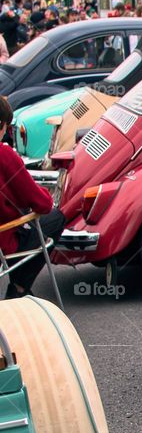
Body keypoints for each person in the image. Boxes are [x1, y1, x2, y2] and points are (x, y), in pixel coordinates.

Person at [0, 97, 67, 300]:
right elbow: (42, 204)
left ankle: (17, 288)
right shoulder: (4, 155)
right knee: (56, 218)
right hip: (5, 239)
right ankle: (19, 289)